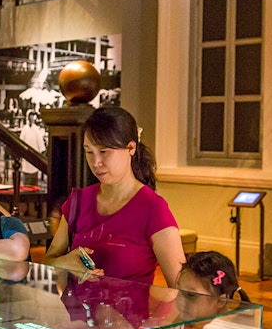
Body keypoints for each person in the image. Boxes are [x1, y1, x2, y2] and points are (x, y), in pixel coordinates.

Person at [44, 105, 185, 288]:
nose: (96, 162)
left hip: (130, 307)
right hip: (78, 307)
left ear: (131, 148)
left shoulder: (153, 208)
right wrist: (64, 263)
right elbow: (47, 262)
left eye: (104, 152)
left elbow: (180, 287)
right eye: (89, 152)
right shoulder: (78, 202)